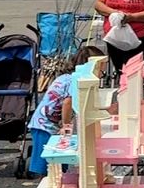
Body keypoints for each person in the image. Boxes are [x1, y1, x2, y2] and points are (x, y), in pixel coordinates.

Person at [27, 45, 105, 176]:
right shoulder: (75, 80)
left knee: (60, 156)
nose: (101, 75)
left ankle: (57, 178)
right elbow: (68, 102)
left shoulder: (68, 77)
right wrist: (66, 125)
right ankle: (47, 184)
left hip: (46, 122)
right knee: (49, 162)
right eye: (100, 71)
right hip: (45, 125)